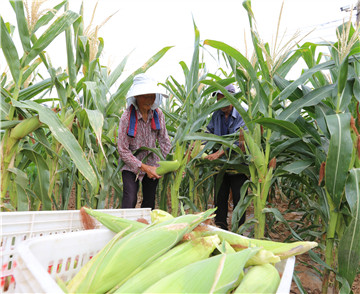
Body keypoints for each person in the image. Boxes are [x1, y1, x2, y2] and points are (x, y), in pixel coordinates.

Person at [117, 73, 171, 209]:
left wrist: (171, 163)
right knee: (130, 199)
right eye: (145, 96)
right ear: (136, 96)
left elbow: (164, 141)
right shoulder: (127, 117)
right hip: (131, 165)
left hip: (152, 165)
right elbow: (123, 149)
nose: (149, 100)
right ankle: (126, 228)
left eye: (152, 95)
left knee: (149, 202)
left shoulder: (158, 115)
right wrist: (142, 167)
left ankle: (145, 227)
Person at [205, 84, 248, 230]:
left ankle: (238, 230)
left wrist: (218, 153)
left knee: (239, 199)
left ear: (233, 98)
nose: (221, 103)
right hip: (220, 165)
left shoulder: (243, 113)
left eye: (224, 99)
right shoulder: (216, 114)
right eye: (219, 100)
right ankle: (220, 228)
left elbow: (238, 137)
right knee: (220, 198)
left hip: (238, 165)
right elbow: (209, 133)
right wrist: (198, 145)